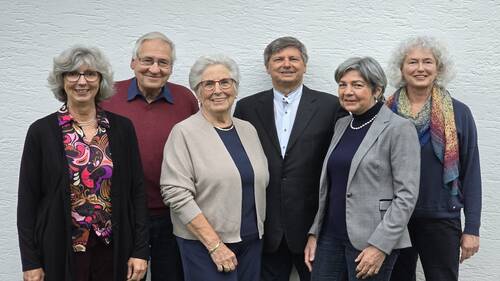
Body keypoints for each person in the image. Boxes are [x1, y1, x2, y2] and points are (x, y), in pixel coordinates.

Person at [17, 46, 148, 281]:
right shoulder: (41, 132)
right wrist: (30, 261)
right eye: (72, 74)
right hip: (60, 248)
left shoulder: (122, 128)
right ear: (62, 80)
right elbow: (28, 200)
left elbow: (137, 192)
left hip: (114, 248)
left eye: (90, 74)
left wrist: (140, 251)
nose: (82, 81)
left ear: (100, 80)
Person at [234, 36, 343, 281]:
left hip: (314, 226)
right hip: (265, 227)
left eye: (293, 59)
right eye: (278, 59)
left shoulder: (331, 106)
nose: (286, 64)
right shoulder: (246, 108)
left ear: (304, 65)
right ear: (267, 67)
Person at [304, 56, 420, 281]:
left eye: (357, 85)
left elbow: (407, 195)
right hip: (329, 239)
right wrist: (314, 233)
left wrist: (380, 246)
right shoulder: (342, 125)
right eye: (342, 84)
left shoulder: (399, 128)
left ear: (377, 89)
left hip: (371, 242)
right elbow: (330, 187)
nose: (347, 91)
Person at [160, 54, 269, 281]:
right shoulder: (184, 132)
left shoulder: (248, 129)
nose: (218, 90)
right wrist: (215, 245)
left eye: (225, 82)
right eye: (208, 84)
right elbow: (176, 193)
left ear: (235, 88)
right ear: (197, 92)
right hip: (204, 245)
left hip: (251, 242)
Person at [101, 31, 199, 281]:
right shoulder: (107, 96)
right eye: (147, 60)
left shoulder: (186, 99)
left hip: (172, 215)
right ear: (133, 62)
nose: (154, 69)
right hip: (122, 215)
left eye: (163, 62)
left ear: (171, 67)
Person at [387, 36, 482, 281]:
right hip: (394, 218)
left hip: (441, 217)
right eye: (412, 62)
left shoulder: (459, 112)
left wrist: (471, 228)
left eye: (427, 62)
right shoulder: (386, 112)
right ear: (401, 68)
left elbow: (471, 172)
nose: (420, 68)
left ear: (438, 68)